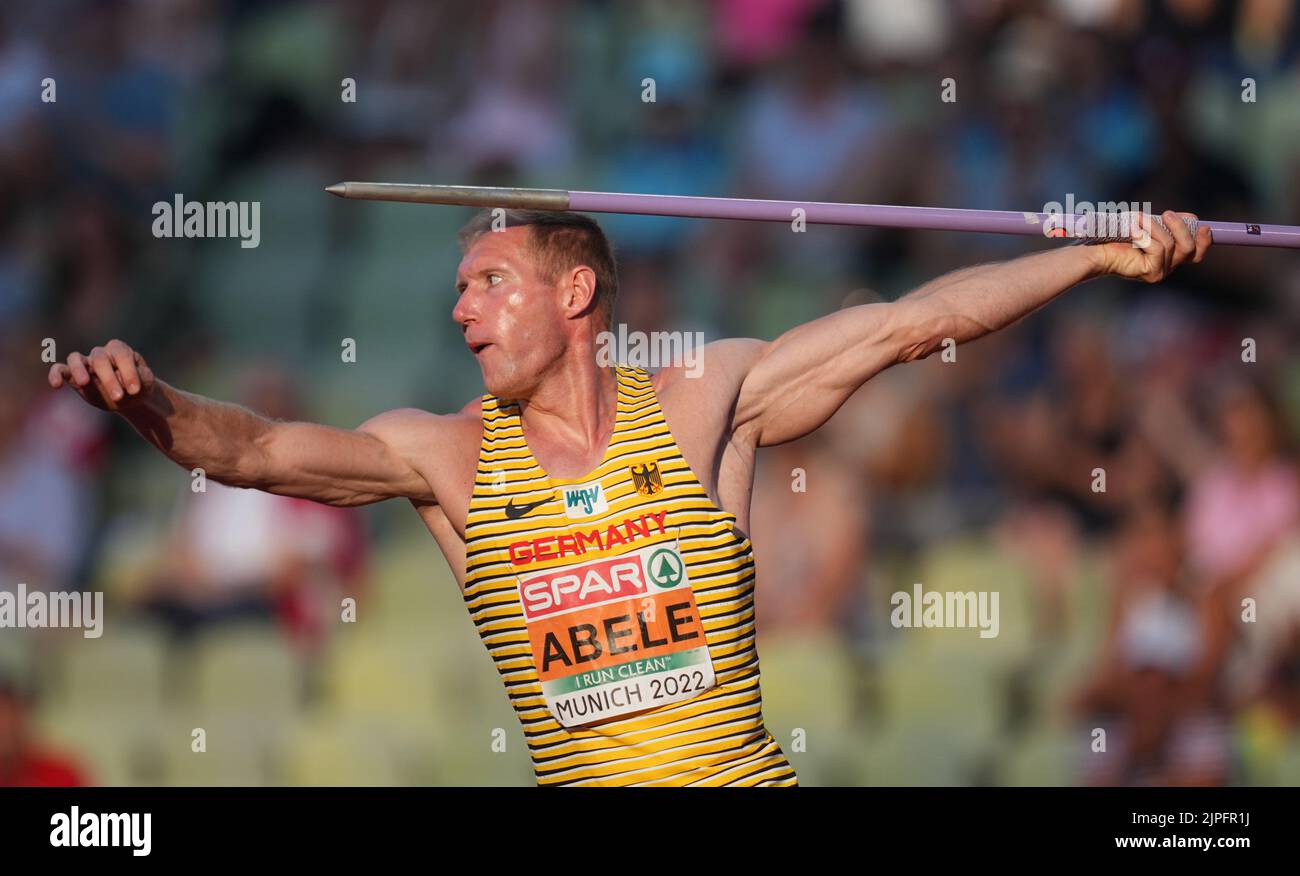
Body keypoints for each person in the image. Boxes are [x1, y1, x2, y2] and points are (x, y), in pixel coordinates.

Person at [45, 206, 1212, 786]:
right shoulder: (440, 457)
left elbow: (918, 323)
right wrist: (145, 398)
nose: (460, 310)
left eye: (490, 283)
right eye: (453, 290)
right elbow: (248, 450)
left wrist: (1094, 252)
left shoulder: (704, 400)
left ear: (577, 291)